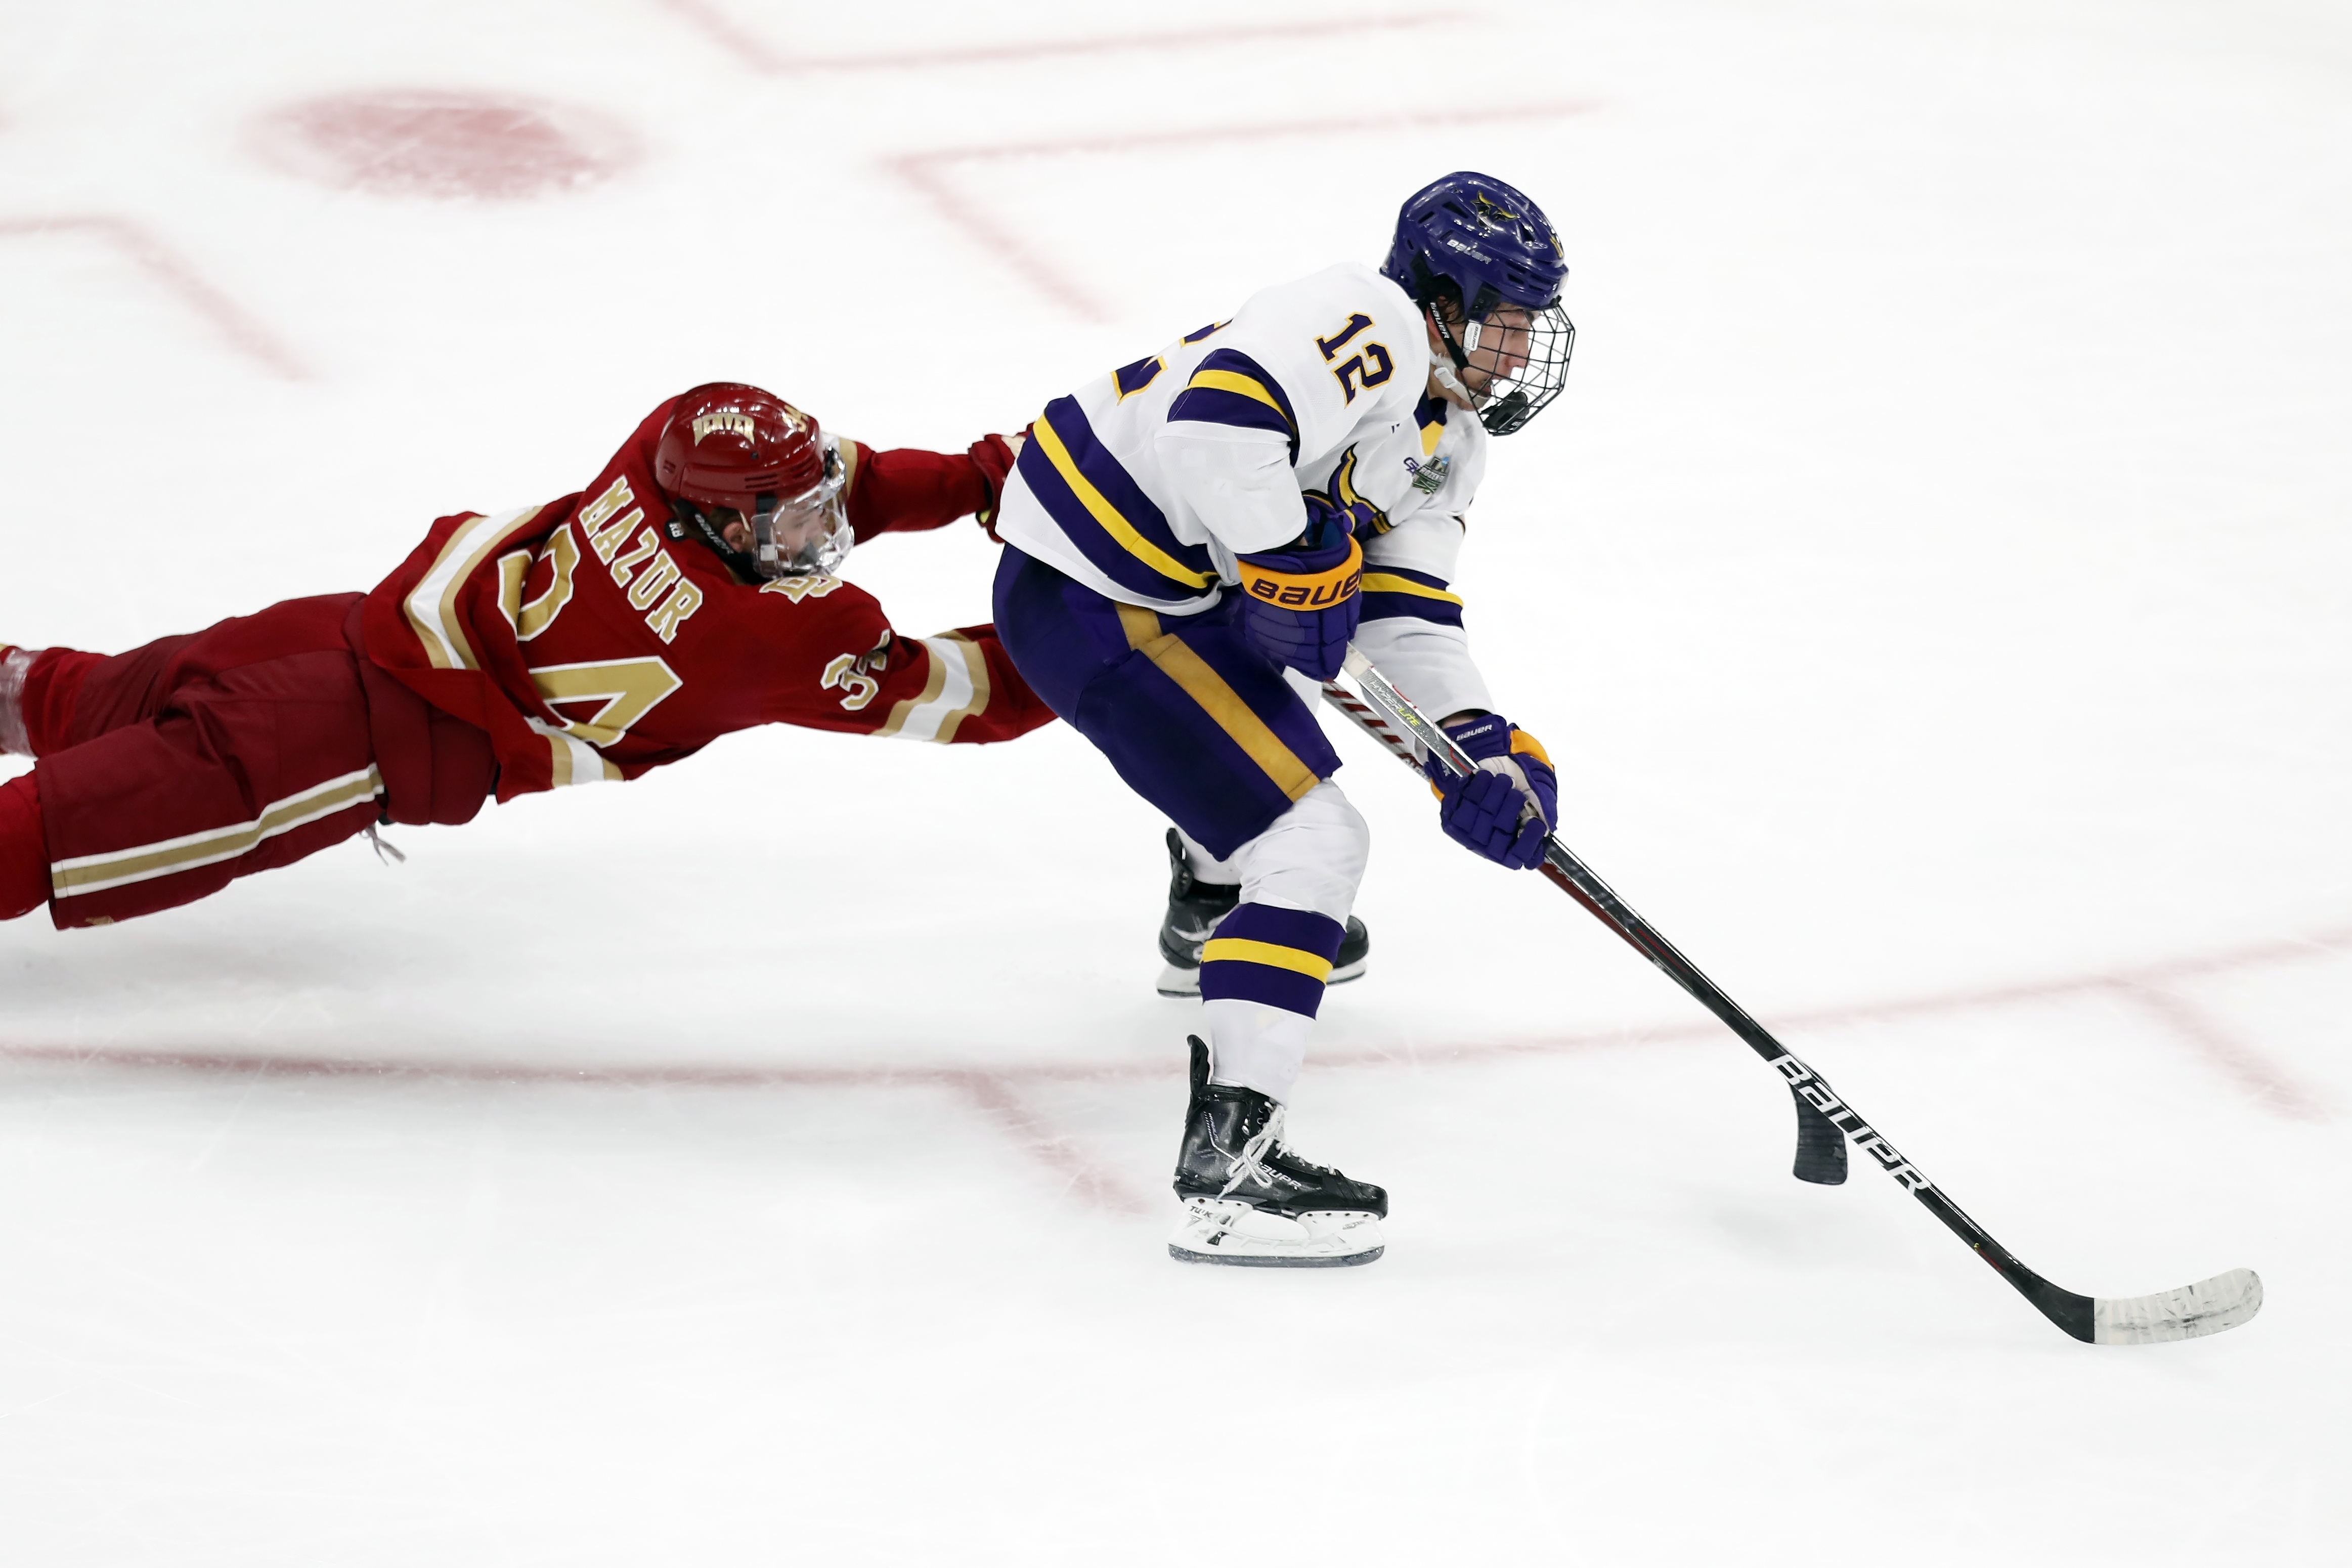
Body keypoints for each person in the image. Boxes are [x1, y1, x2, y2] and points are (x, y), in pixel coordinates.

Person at [987, 172, 1575, 1266]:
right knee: (1315, 838)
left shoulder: (1451, 440)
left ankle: (1215, 904)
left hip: (1175, 592)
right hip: (1091, 588)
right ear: (1441, 295)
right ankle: (1232, 1171)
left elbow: (1404, 615)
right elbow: (1216, 425)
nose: (1518, 351)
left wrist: (1482, 749)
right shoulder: (1371, 319)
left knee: (1290, 685)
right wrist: (1286, 564)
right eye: (1506, 320)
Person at [0, 384, 1053, 929]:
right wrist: (1114, 601)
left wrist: (978, 478)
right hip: (335, 740)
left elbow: (841, 479)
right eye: (789, 524)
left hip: (336, 629)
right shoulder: (774, 636)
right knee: (56, 828)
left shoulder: (661, 448)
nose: (819, 536)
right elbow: (989, 695)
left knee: (71, 694)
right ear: (723, 527)